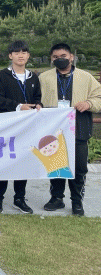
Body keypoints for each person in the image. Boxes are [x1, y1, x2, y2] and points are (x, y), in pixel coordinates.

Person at [39, 43, 101, 216]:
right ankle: (56, 198)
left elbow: (99, 96)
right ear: (51, 59)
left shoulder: (85, 77)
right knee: (56, 165)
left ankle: (77, 200)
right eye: (55, 57)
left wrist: (88, 103)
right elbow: (36, 98)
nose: (60, 59)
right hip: (53, 128)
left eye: (63, 56)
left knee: (79, 167)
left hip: (79, 127)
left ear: (71, 57)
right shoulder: (44, 77)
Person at [0, 40, 42, 214]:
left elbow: (37, 98)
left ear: (28, 55)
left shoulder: (33, 77)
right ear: (10, 55)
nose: (21, 55)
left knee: (23, 162)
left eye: (24, 52)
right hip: (7, 126)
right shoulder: (2, 76)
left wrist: (38, 105)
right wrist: (19, 106)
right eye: (17, 52)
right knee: (4, 162)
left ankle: (19, 198)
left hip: (27, 128)